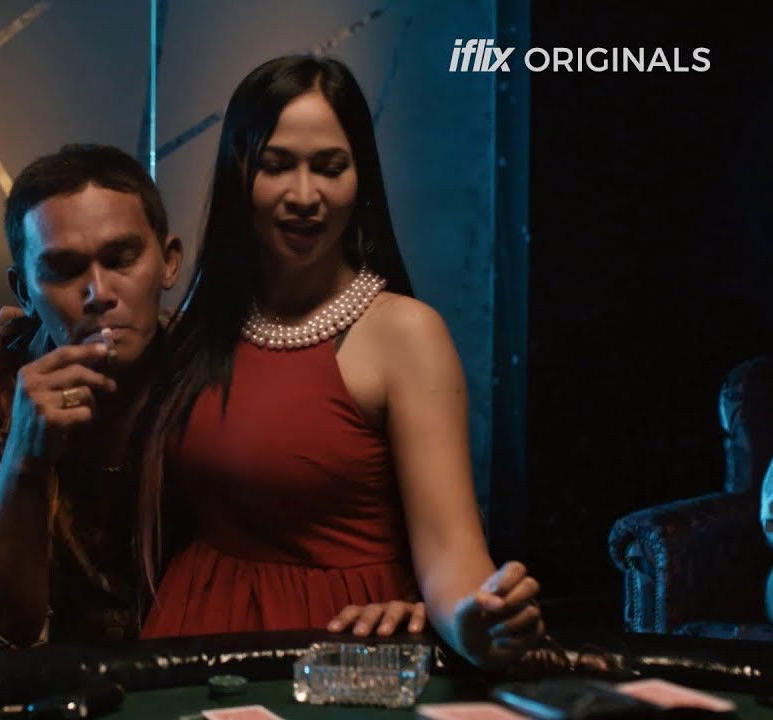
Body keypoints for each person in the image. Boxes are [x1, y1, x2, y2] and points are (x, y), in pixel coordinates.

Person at [137, 55, 544, 669]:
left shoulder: (407, 333)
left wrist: (478, 621)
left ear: (361, 179)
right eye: (276, 165)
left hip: (339, 648)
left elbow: (452, 555)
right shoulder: (200, 325)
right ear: (238, 173)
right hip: (192, 635)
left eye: (330, 168)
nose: (305, 196)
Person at [0, 144, 183, 650]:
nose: (99, 292)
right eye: (64, 270)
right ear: (23, 291)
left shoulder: (212, 372)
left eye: (121, 259)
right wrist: (25, 458)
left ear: (168, 262)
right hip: (48, 681)